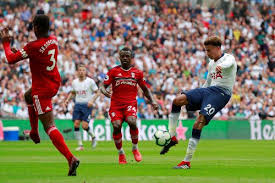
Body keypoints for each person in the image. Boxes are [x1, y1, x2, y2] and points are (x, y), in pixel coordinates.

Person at [0, 15, 79, 176]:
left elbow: (10, 59)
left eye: (33, 26)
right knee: (27, 96)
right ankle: (34, 132)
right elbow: (36, 54)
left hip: (42, 89)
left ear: (36, 28)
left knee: (50, 126)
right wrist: (22, 52)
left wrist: (6, 42)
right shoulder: (54, 40)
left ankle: (71, 158)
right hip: (54, 83)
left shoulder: (33, 46)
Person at [161, 36, 237, 169]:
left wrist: (220, 66)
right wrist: (196, 95)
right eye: (206, 51)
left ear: (218, 48)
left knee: (199, 121)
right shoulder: (211, 63)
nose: (207, 54)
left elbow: (228, 64)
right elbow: (207, 83)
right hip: (208, 90)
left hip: (222, 93)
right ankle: (172, 137)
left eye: (209, 50)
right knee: (177, 100)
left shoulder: (228, 58)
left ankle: (186, 162)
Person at [101, 47, 159, 164]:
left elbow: (145, 89)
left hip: (130, 103)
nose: (125, 58)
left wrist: (152, 101)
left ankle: (135, 148)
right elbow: (102, 86)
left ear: (131, 58)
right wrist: (104, 91)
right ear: (120, 58)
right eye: (123, 56)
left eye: (127, 56)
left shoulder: (137, 73)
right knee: (116, 125)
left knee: (132, 121)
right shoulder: (113, 71)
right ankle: (121, 153)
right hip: (116, 105)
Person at [64, 64, 100, 151]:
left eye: (83, 70)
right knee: (76, 123)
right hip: (77, 105)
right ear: (77, 72)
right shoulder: (74, 82)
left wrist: (92, 101)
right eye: (80, 70)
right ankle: (80, 145)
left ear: (85, 72)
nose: (81, 72)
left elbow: (97, 92)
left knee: (84, 126)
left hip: (87, 105)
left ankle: (93, 137)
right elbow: (73, 93)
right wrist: (67, 100)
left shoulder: (90, 81)